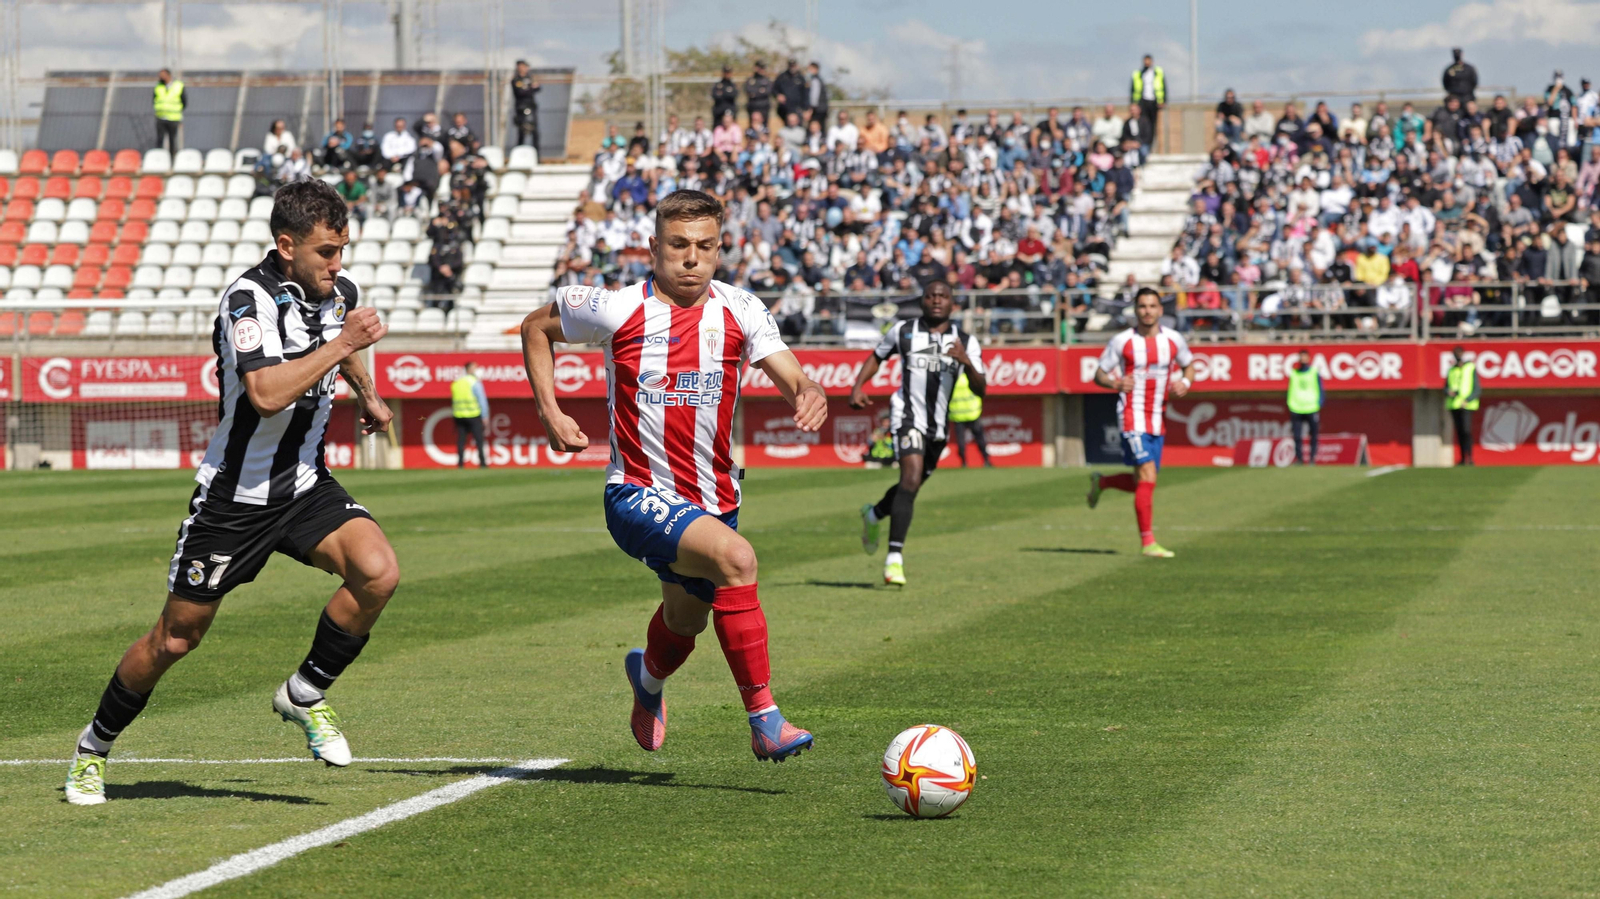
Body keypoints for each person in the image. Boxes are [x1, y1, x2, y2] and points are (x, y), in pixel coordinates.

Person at [63, 180, 398, 805]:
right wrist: (346, 343)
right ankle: (92, 749)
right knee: (176, 639)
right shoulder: (248, 299)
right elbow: (267, 394)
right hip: (234, 499)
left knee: (377, 574)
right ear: (286, 244)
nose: (338, 263)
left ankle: (304, 693)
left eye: (343, 248)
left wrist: (369, 394)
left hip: (303, 485)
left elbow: (338, 342)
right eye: (326, 251)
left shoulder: (338, 293)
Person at [518, 189, 826, 762]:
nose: (692, 258)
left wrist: (809, 392)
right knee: (738, 560)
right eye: (679, 246)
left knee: (685, 624)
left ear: (720, 249)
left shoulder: (741, 309)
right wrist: (551, 411)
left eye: (705, 247)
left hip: (714, 499)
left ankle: (648, 684)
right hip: (635, 493)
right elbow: (536, 328)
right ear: (653, 248)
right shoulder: (616, 307)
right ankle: (765, 719)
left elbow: (792, 377)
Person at [850, 280, 986, 586]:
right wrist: (858, 386)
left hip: (938, 427)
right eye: (930, 295)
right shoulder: (904, 331)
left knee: (909, 487)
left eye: (943, 296)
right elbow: (877, 356)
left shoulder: (965, 341)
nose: (936, 300)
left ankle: (873, 514)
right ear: (922, 300)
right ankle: (894, 559)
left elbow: (981, 389)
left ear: (953, 303)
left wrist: (966, 363)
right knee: (910, 478)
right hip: (907, 417)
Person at [1084, 288, 1193, 559]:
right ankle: (1148, 543)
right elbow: (1098, 375)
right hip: (1132, 416)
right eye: (1142, 306)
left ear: (1160, 310)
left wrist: (1186, 382)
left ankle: (1103, 483)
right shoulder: (1122, 341)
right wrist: (1115, 383)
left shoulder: (1173, 339)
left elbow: (1189, 365)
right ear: (1135, 310)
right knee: (1147, 476)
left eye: (1152, 306)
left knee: (1143, 480)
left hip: (1158, 417)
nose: (1147, 311)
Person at [450, 362, 491, 469]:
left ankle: (460, 464)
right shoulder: (474, 382)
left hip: (459, 415)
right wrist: (485, 416)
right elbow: (482, 400)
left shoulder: (457, 382)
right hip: (474, 415)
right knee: (479, 440)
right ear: (470, 370)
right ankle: (482, 463)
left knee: (461, 440)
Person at [1286, 349, 1323, 464]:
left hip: (1311, 407)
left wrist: (1319, 403)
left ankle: (1312, 458)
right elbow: (1290, 389)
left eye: (1305, 357)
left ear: (1309, 358)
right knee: (1297, 436)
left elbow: (1321, 389)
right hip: (1296, 407)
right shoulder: (1294, 373)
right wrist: (1290, 403)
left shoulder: (1314, 372)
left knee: (1313, 435)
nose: (1303, 359)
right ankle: (1299, 458)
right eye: (1301, 357)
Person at [948, 370, 991, 468]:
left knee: (961, 442)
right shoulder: (971, 378)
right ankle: (986, 460)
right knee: (980, 439)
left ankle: (964, 463)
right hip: (972, 413)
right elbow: (981, 391)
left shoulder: (952, 380)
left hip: (958, 415)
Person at [1445, 345, 1480, 466]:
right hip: (1454, 405)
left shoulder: (1470, 367)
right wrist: (1449, 392)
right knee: (1459, 432)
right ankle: (1462, 458)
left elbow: (1477, 389)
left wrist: (1468, 400)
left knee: (1466, 431)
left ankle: (1469, 457)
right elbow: (1445, 387)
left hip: (1467, 405)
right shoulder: (1451, 370)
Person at [1130, 54, 1165, 145]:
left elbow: (1163, 87)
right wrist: (1133, 103)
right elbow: (1133, 89)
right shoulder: (1138, 74)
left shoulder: (1157, 72)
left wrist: (1163, 100)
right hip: (1142, 101)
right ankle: (1143, 141)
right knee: (1143, 122)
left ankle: (1151, 142)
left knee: (1153, 123)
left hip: (1153, 101)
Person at [152, 68, 185, 152]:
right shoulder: (158, 86)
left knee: (172, 140)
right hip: (160, 117)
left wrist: (175, 111)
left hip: (173, 118)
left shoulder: (178, 86)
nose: (160, 77)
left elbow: (184, 102)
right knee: (159, 140)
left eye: (163, 75)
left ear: (168, 75)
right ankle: (158, 160)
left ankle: (172, 160)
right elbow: (154, 100)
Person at [511, 60, 541, 150]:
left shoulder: (530, 78)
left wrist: (530, 88)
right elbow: (520, 92)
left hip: (531, 107)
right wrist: (531, 88)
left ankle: (536, 156)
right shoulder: (516, 80)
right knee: (522, 132)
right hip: (521, 108)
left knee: (535, 133)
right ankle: (519, 154)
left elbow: (538, 88)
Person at [743, 60, 772, 126]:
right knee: (753, 127)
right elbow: (749, 92)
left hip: (764, 107)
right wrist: (761, 91)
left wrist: (756, 92)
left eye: (763, 68)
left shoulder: (767, 80)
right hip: (753, 107)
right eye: (760, 67)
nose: (762, 70)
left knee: (764, 127)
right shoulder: (750, 80)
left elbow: (768, 91)